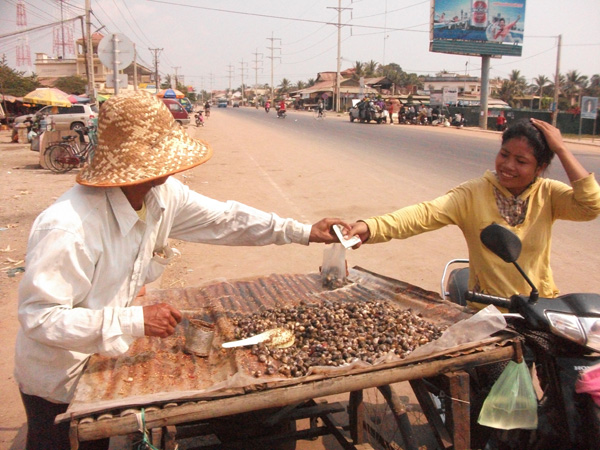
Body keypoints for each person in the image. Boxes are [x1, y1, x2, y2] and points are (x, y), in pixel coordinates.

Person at [14, 90, 347, 450]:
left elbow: (227, 219)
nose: (175, 165)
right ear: (141, 164)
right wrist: (135, 321)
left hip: (105, 359)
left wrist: (303, 232)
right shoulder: (69, 227)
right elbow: (40, 318)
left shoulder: (162, 194)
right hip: (60, 379)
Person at [345, 118, 600, 307]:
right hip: (486, 308)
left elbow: (591, 205)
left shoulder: (549, 194)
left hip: (538, 306)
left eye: (521, 162)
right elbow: (424, 214)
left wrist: (563, 149)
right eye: (504, 155)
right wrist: (370, 227)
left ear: (540, 167)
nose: (508, 166)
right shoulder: (473, 193)